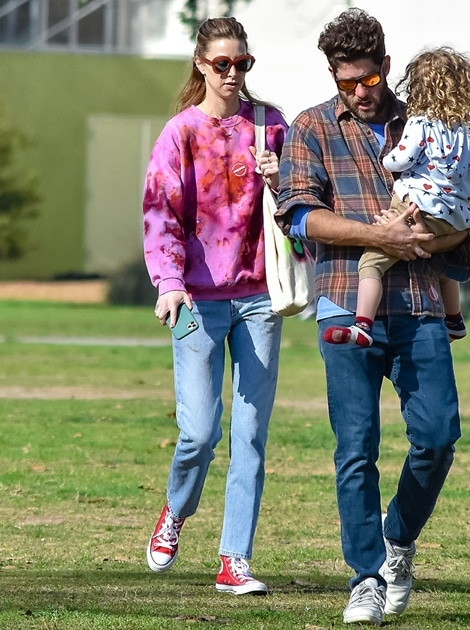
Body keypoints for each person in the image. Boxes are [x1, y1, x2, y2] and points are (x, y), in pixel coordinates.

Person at [276, 8, 470, 625]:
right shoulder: (311, 126)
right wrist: (377, 236)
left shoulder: (425, 118)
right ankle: (365, 577)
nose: (359, 93)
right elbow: (299, 215)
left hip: (419, 306)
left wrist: (437, 238)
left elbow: (467, 207)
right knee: (356, 450)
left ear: (386, 68)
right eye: (346, 83)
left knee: (438, 436)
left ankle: (397, 539)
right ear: (333, 76)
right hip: (346, 303)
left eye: (367, 80)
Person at [142, 17, 288, 595]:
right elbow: (160, 212)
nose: (233, 74)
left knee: (250, 436)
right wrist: (168, 281)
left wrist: (284, 184)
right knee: (200, 434)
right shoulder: (179, 132)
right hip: (197, 301)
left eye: (242, 63)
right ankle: (176, 512)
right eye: (222, 64)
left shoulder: (270, 125)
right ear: (201, 64)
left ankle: (234, 561)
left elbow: (301, 214)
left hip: (258, 298)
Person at [321, 46, 470, 348]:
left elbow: (400, 159)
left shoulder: (420, 123)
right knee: (443, 261)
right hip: (456, 216)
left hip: (417, 206)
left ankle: (362, 324)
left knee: (371, 264)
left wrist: (388, 159)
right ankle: (455, 318)